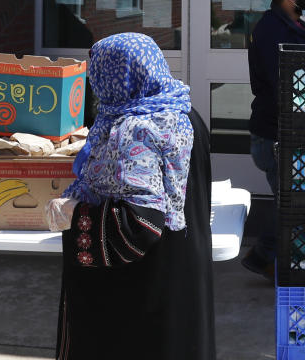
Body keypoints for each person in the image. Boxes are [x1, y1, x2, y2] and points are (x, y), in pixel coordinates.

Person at [44, 32, 215, 359]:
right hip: (182, 280)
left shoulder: (135, 129)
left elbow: (139, 225)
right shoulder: (184, 113)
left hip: (138, 298)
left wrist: (74, 214)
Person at [240, 0, 305, 278]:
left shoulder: (295, 25)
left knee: (295, 198)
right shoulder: (273, 32)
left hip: (287, 132)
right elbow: (286, 84)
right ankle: (265, 258)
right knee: (292, 201)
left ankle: (281, 258)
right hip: (274, 136)